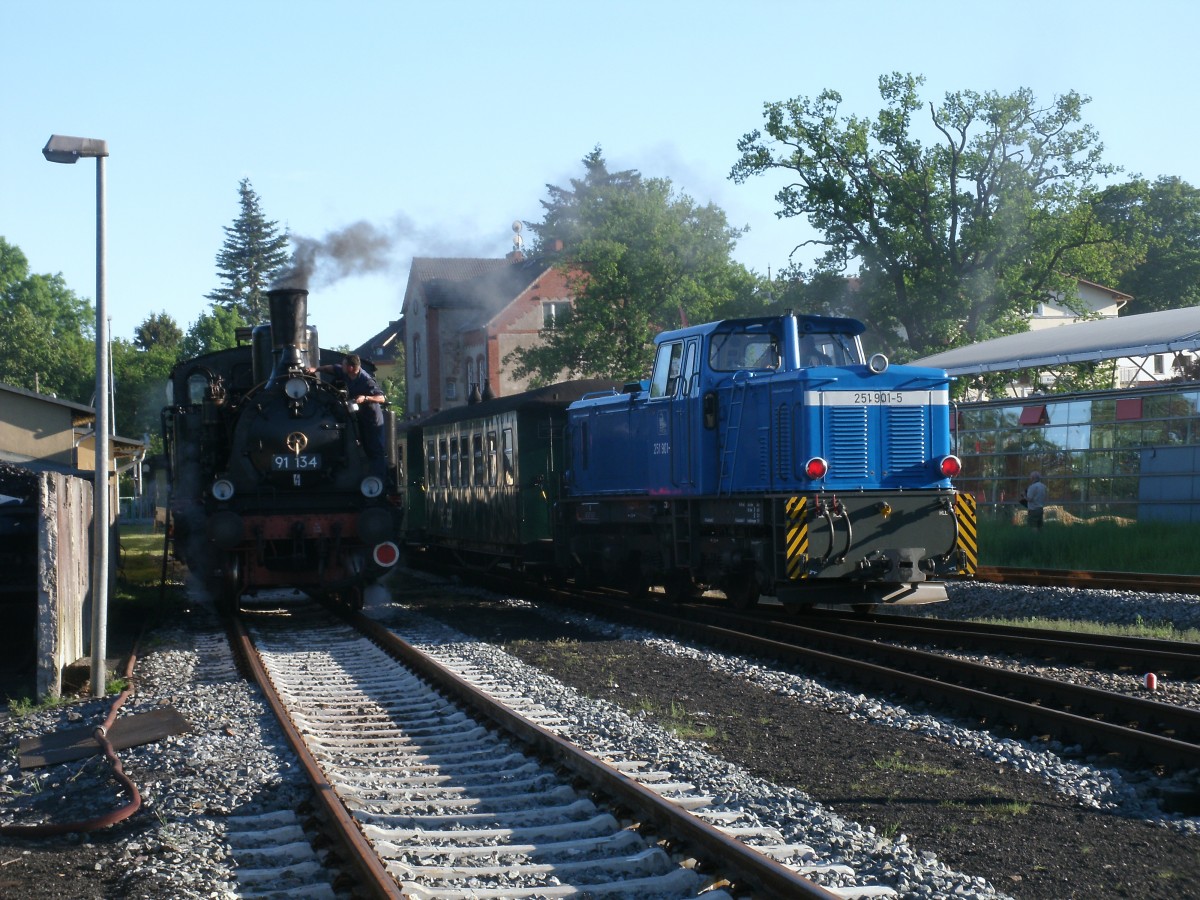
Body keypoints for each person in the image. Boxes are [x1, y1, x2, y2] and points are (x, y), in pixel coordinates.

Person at [308, 354, 387, 477]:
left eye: (344, 364)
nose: (341, 366)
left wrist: (365, 397)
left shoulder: (366, 380)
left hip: (371, 419)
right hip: (358, 416)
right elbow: (332, 368)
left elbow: (381, 398)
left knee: (375, 450)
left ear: (350, 368)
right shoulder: (345, 372)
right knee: (363, 447)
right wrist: (316, 369)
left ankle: (379, 478)